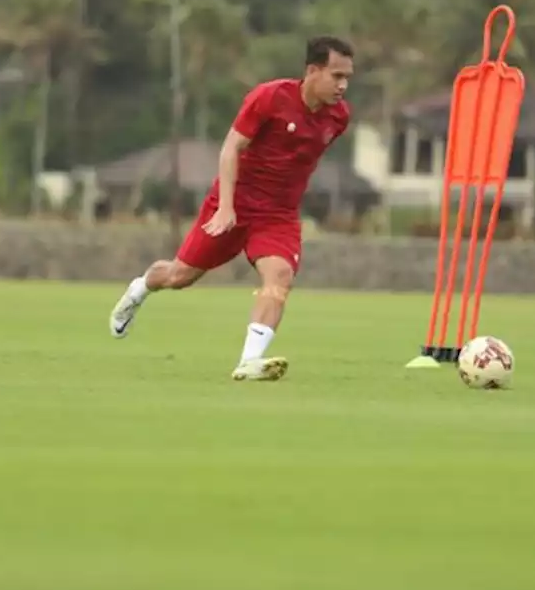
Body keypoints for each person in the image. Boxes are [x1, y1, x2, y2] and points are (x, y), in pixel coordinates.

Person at [107, 35, 355, 381]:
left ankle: (249, 361)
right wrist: (226, 207)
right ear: (312, 71)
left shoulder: (338, 118)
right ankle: (140, 288)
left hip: (277, 216)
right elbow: (230, 148)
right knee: (179, 276)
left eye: (347, 78)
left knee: (279, 277)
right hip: (233, 203)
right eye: (336, 76)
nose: (343, 86)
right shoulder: (269, 97)